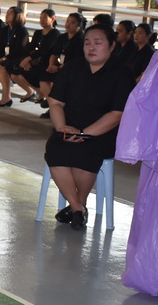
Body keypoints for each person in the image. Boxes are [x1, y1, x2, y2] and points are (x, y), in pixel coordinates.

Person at [44, 24, 136, 229]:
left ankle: (77, 206)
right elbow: (55, 102)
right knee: (56, 149)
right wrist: (62, 127)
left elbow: (117, 114)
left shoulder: (122, 73)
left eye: (98, 42)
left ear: (111, 46)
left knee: (85, 152)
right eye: (87, 43)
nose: (91, 47)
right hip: (68, 128)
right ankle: (78, 207)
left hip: (102, 133)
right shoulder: (73, 67)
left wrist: (85, 134)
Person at [38, 12, 86, 118]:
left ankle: (56, 107)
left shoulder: (80, 39)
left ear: (79, 25)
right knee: (43, 78)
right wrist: (51, 65)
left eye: (72, 23)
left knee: (57, 81)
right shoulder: (63, 37)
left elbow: (77, 61)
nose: (68, 24)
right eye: (67, 21)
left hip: (74, 69)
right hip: (61, 67)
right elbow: (54, 54)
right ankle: (52, 105)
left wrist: (58, 68)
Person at [10, 9, 61, 103]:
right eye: (40, 18)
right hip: (36, 61)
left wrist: (28, 59)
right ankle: (40, 93)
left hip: (48, 63)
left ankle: (48, 99)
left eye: (45, 18)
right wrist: (26, 60)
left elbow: (44, 50)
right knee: (18, 72)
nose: (41, 20)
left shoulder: (55, 33)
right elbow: (30, 47)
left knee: (31, 73)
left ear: (53, 19)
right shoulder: (38, 33)